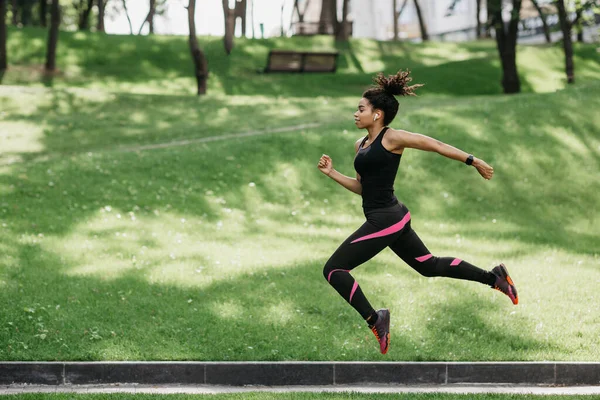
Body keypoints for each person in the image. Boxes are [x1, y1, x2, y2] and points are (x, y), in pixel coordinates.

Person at [317, 69, 518, 355]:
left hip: (386, 219)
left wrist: (472, 160)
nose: (355, 113)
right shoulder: (360, 145)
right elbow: (364, 188)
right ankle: (494, 277)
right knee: (428, 265)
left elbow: (433, 145)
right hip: (391, 217)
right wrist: (332, 173)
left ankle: (376, 319)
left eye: (361, 109)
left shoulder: (392, 138)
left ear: (377, 114)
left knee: (334, 269)